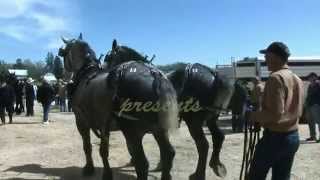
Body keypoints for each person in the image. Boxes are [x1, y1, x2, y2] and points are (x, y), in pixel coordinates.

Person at [249, 42, 304, 180]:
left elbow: (275, 114)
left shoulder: (275, 77)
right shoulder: (297, 79)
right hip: (292, 136)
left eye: (267, 55)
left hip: (274, 138)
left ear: (276, 57)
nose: (265, 59)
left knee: (255, 176)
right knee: (282, 177)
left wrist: (252, 115)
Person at [305, 72, 320, 142]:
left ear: (315, 77)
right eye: (309, 77)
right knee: (310, 122)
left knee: (319, 121)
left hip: (316, 105)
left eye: (311, 77)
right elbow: (308, 96)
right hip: (309, 106)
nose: (310, 79)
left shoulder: (318, 84)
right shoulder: (310, 85)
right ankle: (312, 136)